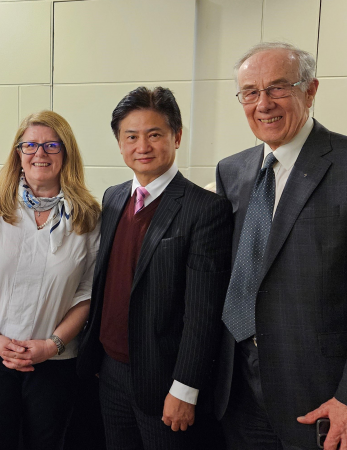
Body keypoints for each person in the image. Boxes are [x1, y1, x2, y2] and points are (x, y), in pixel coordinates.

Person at [214, 42, 347, 450]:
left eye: (278, 88)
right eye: (250, 92)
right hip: (238, 392)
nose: (263, 104)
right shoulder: (232, 170)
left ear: (311, 91)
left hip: (327, 401)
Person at [75, 87, 233, 449]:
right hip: (109, 370)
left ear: (176, 137)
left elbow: (203, 313)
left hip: (165, 381)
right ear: (119, 143)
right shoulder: (114, 197)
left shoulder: (205, 210)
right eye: (131, 136)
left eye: (154, 134)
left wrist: (185, 388)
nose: (142, 146)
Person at [0, 110, 101, 450]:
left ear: (66, 153)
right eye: (29, 145)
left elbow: (87, 294)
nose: (39, 154)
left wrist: (51, 345)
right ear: (18, 153)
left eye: (50, 146)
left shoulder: (88, 215)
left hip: (55, 359)